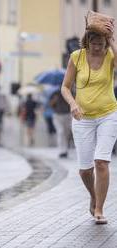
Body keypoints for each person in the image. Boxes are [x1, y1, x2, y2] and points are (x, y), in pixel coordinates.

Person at [61, 26, 117, 225]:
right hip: (82, 118)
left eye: (101, 45)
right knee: (85, 170)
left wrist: (111, 42)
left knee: (101, 162)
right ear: (87, 42)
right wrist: (73, 104)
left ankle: (100, 208)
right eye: (94, 44)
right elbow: (65, 87)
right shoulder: (77, 57)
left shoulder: (110, 55)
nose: (97, 49)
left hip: (108, 115)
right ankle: (93, 196)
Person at [49, 90, 71, 158]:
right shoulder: (54, 93)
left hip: (67, 115)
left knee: (67, 133)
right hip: (57, 116)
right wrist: (54, 100)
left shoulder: (70, 92)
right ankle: (62, 150)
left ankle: (65, 149)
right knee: (60, 132)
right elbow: (50, 104)